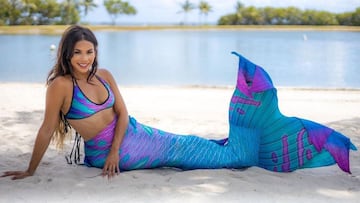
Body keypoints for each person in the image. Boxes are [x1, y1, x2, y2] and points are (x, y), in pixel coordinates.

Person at [1, 25, 356, 180]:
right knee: (218, 155)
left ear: (96, 52)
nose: (83, 58)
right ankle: (262, 142)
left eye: (89, 51)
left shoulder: (104, 75)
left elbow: (122, 114)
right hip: (116, 151)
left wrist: (116, 149)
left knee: (191, 144)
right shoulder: (62, 85)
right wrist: (32, 170)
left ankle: (245, 141)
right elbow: (47, 128)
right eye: (77, 52)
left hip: (133, 136)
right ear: (66, 53)